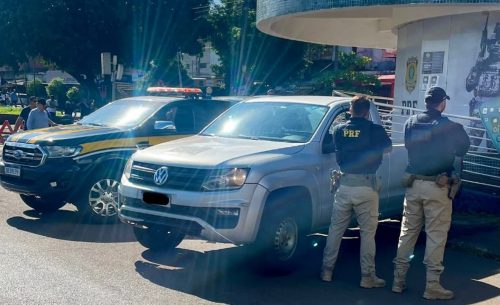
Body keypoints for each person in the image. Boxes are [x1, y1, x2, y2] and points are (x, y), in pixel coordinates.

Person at [392, 87, 470, 300]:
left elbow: (409, 146)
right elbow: (463, 149)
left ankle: (398, 281)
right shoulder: (452, 127)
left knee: (407, 232)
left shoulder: (410, 123)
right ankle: (432, 286)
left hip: (413, 184)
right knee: (436, 235)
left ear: (426, 102)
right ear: (442, 102)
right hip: (437, 187)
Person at [321, 96, 392, 288]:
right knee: (368, 234)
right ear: (367, 111)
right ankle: (367, 277)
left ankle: (327, 271)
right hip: (366, 186)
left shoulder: (338, 129)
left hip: (344, 185)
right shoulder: (375, 130)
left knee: (335, 230)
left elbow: (336, 147)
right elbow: (388, 148)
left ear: (350, 110)